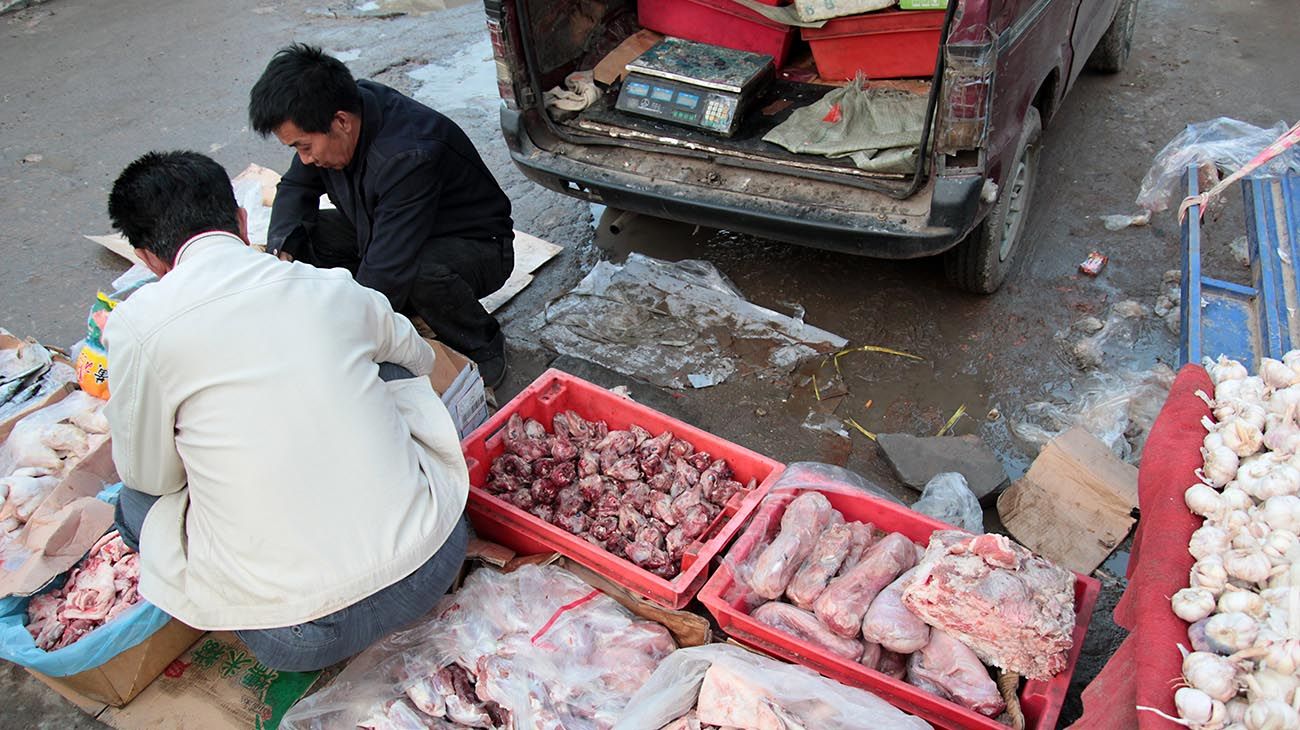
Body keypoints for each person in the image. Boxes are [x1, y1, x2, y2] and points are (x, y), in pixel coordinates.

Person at [103, 150, 470, 672]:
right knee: (385, 369)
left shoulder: (138, 326)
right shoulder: (330, 287)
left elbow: (150, 476)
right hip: (435, 561)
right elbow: (419, 358)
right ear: (241, 221)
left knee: (134, 496)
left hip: (299, 638)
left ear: (147, 258)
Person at [249, 43, 514, 388]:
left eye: (304, 146)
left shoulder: (407, 155)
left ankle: (484, 344)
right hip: (388, 227)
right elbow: (296, 188)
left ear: (340, 122)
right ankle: (390, 311)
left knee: (417, 274)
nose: (304, 158)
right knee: (305, 235)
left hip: (478, 246)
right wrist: (280, 251)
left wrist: (339, 343)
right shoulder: (337, 114)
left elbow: (387, 268)